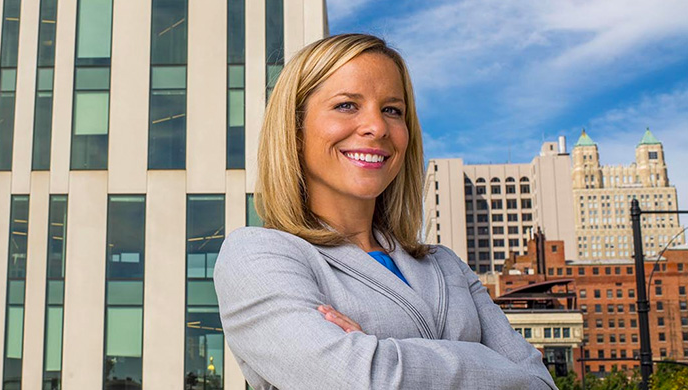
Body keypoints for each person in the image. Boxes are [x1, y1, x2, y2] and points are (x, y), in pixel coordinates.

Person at [213, 34, 556, 389]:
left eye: (392, 110)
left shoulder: (447, 265)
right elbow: (360, 381)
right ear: (294, 127)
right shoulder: (256, 256)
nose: (377, 127)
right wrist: (490, 364)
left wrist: (379, 352)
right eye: (347, 105)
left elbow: (541, 384)